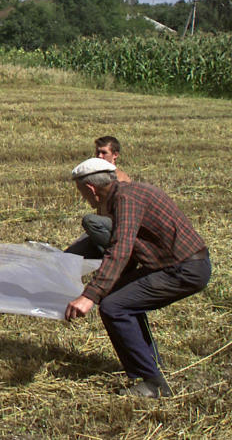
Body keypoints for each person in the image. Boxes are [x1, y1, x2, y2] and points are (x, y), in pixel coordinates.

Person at [63, 157, 211, 398]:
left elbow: (120, 249)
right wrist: (107, 285)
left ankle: (153, 384)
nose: (84, 199)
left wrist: (90, 295)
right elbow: (130, 251)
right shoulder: (131, 192)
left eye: (82, 193)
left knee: (113, 307)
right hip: (180, 264)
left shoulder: (125, 200)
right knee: (119, 297)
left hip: (183, 269)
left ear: (91, 189)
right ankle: (152, 364)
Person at [65, 136, 131, 259]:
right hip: (102, 229)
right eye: (98, 152)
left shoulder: (120, 180)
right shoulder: (97, 177)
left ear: (115, 155)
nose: (100, 156)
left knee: (91, 221)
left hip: (117, 232)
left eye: (104, 152)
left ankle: (112, 257)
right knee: (68, 257)